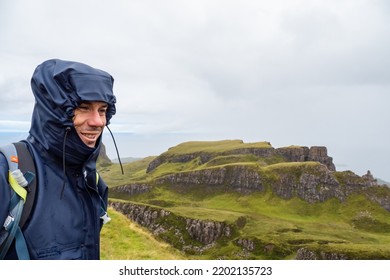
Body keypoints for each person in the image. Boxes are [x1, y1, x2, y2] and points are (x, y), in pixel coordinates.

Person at [0, 59, 117, 259]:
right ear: (54, 110)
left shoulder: (93, 181)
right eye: (83, 107)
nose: (98, 121)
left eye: (103, 110)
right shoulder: (7, 171)